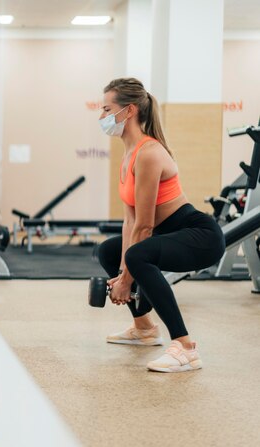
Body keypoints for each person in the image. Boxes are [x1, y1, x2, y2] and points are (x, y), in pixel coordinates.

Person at [96, 77, 225, 373]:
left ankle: (186, 348)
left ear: (128, 111)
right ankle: (143, 328)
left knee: (137, 255)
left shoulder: (149, 152)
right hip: (167, 230)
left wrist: (127, 280)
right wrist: (120, 274)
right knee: (109, 251)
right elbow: (130, 219)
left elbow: (144, 226)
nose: (102, 117)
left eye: (106, 109)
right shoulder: (128, 154)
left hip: (199, 235)